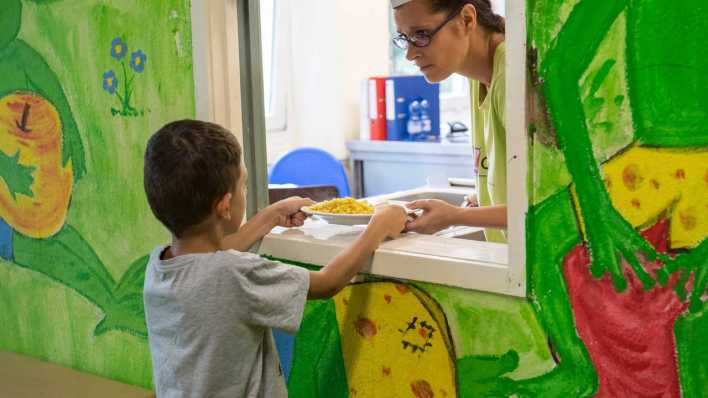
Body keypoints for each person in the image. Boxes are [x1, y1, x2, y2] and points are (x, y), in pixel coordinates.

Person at [142, 119, 407, 398]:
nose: (246, 191)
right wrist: (378, 227)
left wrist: (271, 215)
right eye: (244, 186)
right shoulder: (234, 274)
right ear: (224, 206)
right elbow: (327, 283)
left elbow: (213, 255)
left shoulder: (160, 265)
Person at [392, 0, 508, 242]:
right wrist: (483, 200)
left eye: (422, 34)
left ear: (466, 19)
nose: (411, 54)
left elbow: (543, 207)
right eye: (404, 38)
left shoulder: (511, 74)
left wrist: (457, 216)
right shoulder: (476, 75)